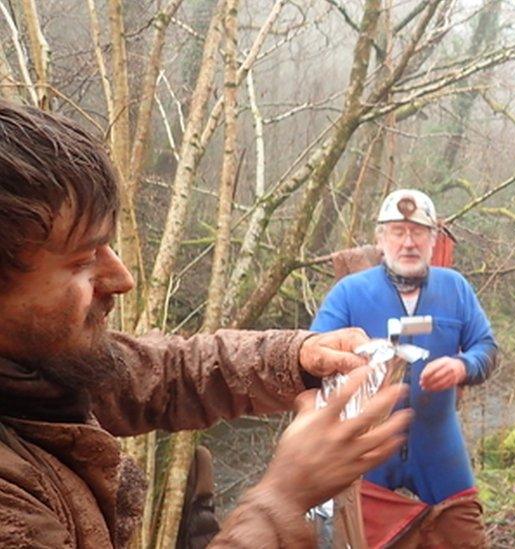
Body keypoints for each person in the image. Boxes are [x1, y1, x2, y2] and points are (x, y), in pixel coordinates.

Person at [0, 100, 412, 548]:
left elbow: (168, 372)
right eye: (83, 261)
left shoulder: (37, 370)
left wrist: (295, 358)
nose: (122, 279)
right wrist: (282, 501)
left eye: (108, 247)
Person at [310, 189, 498, 547]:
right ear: (381, 239)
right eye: (398, 232)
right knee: (370, 541)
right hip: (370, 449)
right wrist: (359, 365)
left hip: (439, 442)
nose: (408, 242)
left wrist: (462, 366)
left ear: (433, 240)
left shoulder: (455, 289)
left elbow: (486, 348)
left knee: (465, 537)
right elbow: (313, 354)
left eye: (418, 232)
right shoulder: (349, 293)